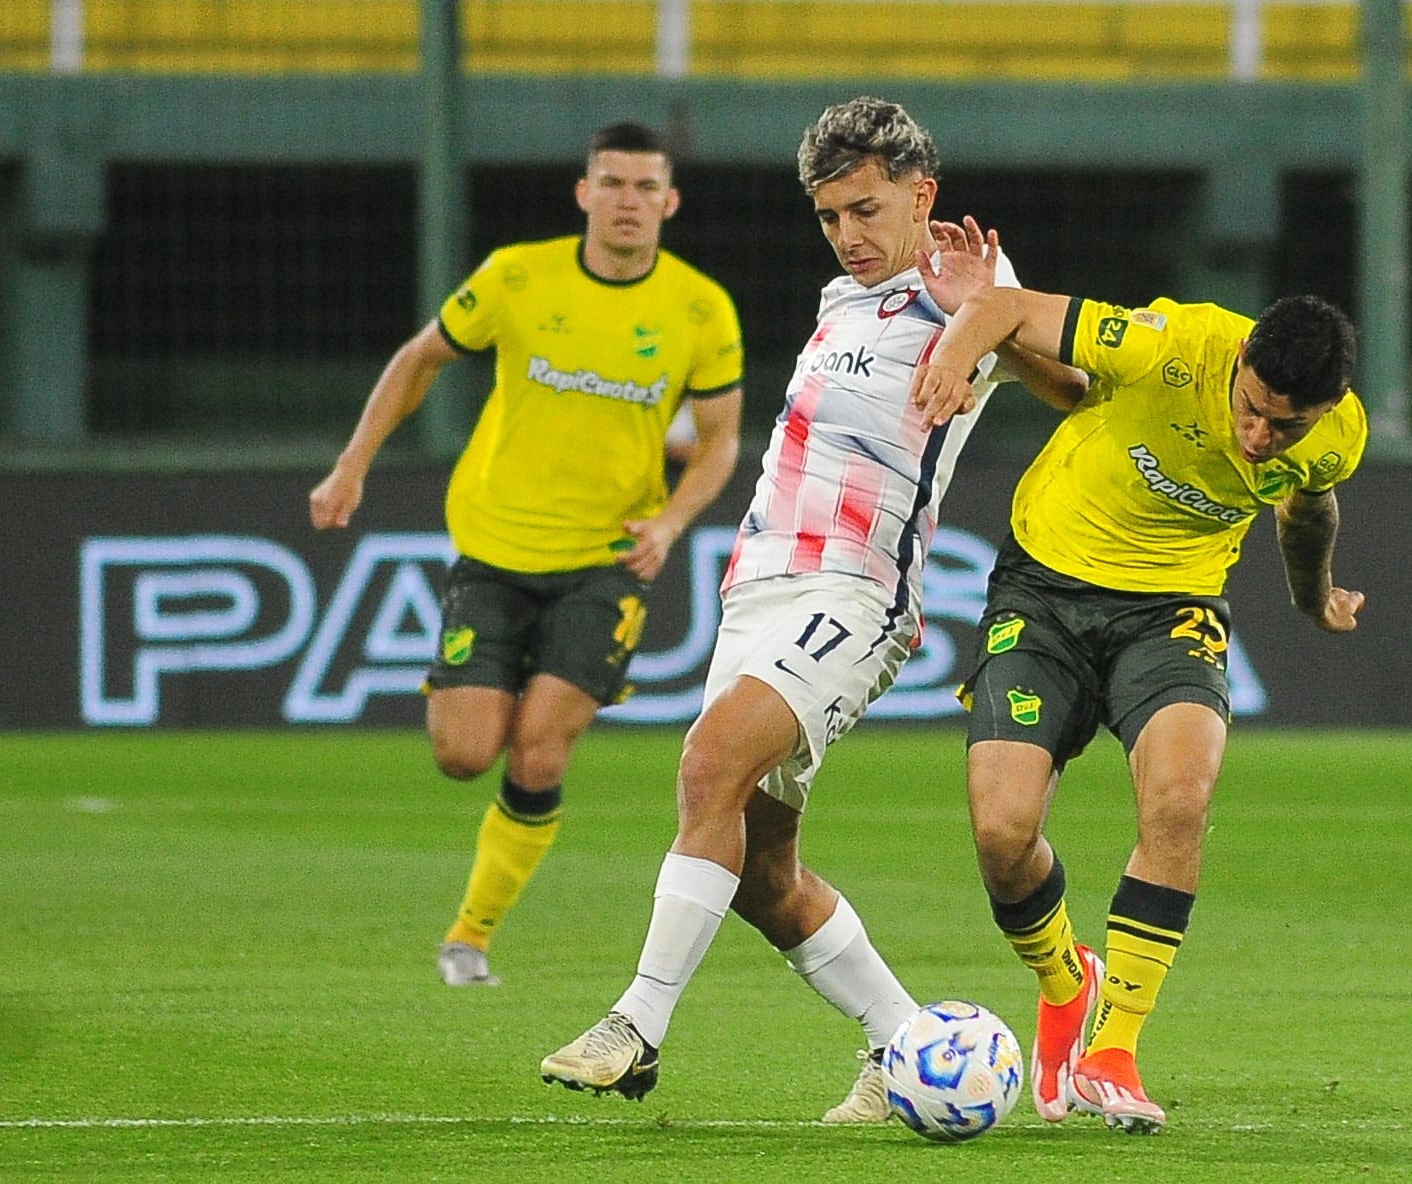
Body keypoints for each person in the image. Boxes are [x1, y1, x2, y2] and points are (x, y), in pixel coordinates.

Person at [538, 96, 1086, 1120]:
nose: (850, 233)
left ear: (924, 195)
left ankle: (638, 1024)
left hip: (855, 590)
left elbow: (1072, 385)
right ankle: (903, 1042)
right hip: (760, 586)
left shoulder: (975, 283)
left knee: (707, 761)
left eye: (869, 209)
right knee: (758, 866)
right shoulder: (843, 299)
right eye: (831, 214)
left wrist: (988, 322)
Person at [909, 283, 1367, 1133]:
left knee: (1179, 799)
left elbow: (1306, 512)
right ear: (1237, 366)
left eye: (1284, 427)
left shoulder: (1336, 436)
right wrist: (949, 362)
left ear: (1328, 408)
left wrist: (1314, 599)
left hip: (1173, 610)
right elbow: (1005, 306)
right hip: (1043, 590)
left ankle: (1112, 1049)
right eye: (1252, 410)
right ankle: (1065, 984)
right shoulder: (1170, 343)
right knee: (1002, 833)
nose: (1259, 438)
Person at [308, 122, 746, 989]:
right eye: (612, 184)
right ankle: (468, 698)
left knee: (541, 753)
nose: (628, 201)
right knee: (465, 754)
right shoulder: (516, 276)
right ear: (584, 193)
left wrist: (671, 523)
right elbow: (418, 359)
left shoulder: (699, 308)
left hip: (605, 561)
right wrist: (351, 463)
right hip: (495, 547)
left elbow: (724, 442)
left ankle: (469, 937)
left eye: (644, 187)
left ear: (669, 201)